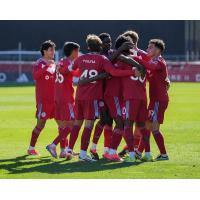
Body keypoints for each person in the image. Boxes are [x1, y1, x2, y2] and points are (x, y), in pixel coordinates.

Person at [66, 34, 137, 162]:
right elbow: (113, 72)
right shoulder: (102, 59)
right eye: (105, 43)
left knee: (80, 122)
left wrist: (84, 74)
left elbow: (70, 68)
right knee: (89, 125)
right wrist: (133, 71)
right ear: (99, 46)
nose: (108, 44)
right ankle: (84, 154)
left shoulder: (81, 58)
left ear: (88, 47)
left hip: (80, 94)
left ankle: (70, 150)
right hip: (94, 96)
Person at [135, 39, 170, 161]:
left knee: (153, 128)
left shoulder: (159, 61)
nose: (148, 49)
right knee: (148, 126)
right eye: (148, 47)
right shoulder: (153, 59)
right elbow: (146, 58)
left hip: (159, 100)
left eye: (150, 47)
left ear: (158, 50)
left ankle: (164, 154)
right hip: (155, 100)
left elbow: (149, 65)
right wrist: (136, 50)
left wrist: (136, 58)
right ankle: (139, 152)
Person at [46, 42, 80, 158]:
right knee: (73, 123)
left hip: (58, 97)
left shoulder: (61, 61)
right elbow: (71, 72)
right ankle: (53, 144)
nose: (78, 54)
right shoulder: (67, 63)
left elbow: (74, 73)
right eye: (77, 51)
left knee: (63, 125)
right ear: (73, 51)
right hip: (66, 98)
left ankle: (63, 150)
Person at [27, 40, 56, 156]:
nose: (53, 52)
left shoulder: (54, 63)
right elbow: (35, 76)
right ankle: (31, 148)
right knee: (40, 125)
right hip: (43, 101)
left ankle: (65, 150)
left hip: (55, 100)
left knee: (63, 123)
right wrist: (46, 67)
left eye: (53, 49)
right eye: (51, 50)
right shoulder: (39, 63)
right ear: (44, 51)